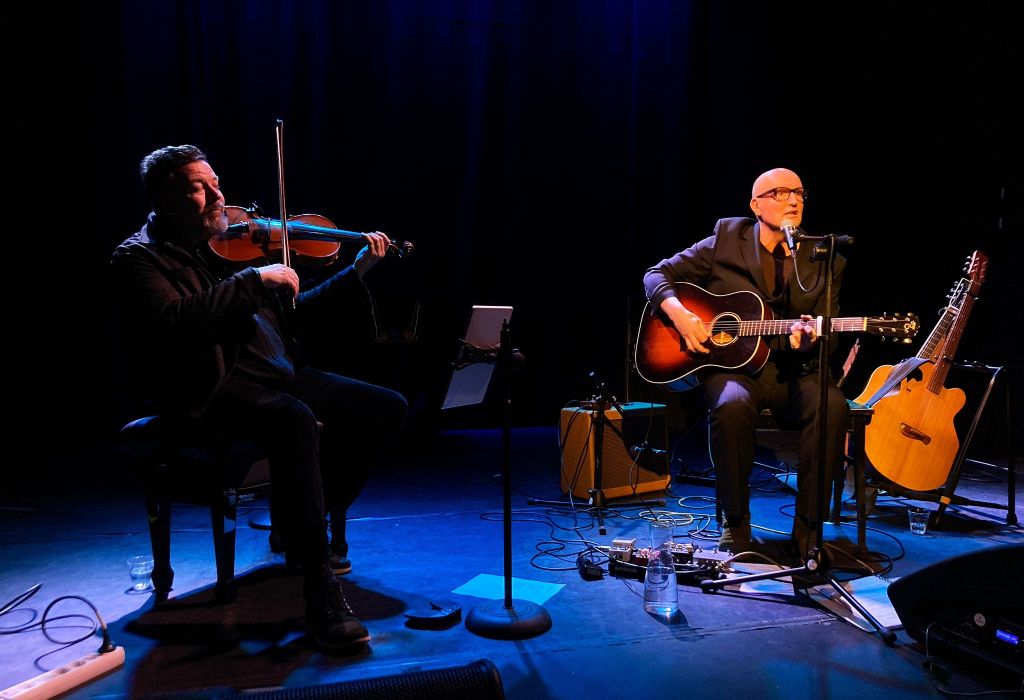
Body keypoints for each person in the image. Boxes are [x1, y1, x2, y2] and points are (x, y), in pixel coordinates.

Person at [111, 145, 408, 650]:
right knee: (293, 420)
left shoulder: (227, 248)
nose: (217, 198)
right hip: (214, 391)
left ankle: (301, 525)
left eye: (216, 184)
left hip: (278, 375)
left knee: (386, 407)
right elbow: (173, 322)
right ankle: (321, 594)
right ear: (164, 200)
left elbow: (296, 313)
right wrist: (253, 280)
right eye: (197, 189)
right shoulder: (138, 258)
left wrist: (355, 273)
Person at [643, 167, 848, 556]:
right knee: (732, 405)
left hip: (794, 371)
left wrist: (808, 343)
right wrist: (682, 316)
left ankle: (808, 531)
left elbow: (831, 337)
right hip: (734, 368)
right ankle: (735, 525)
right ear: (756, 205)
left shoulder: (825, 258)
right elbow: (656, 275)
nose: (793, 200)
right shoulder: (725, 240)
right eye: (782, 192)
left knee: (831, 404)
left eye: (800, 193)